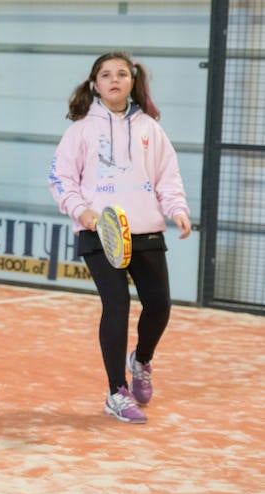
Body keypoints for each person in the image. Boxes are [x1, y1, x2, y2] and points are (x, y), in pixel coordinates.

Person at [48, 51, 192, 424]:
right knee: (117, 305)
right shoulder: (80, 129)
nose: (114, 79)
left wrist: (177, 209)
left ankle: (141, 360)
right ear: (95, 83)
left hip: (144, 229)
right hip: (99, 232)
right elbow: (61, 179)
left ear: (133, 81)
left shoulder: (150, 128)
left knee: (159, 305)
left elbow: (167, 177)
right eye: (106, 74)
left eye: (122, 74)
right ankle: (116, 392)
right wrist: (83, 212)